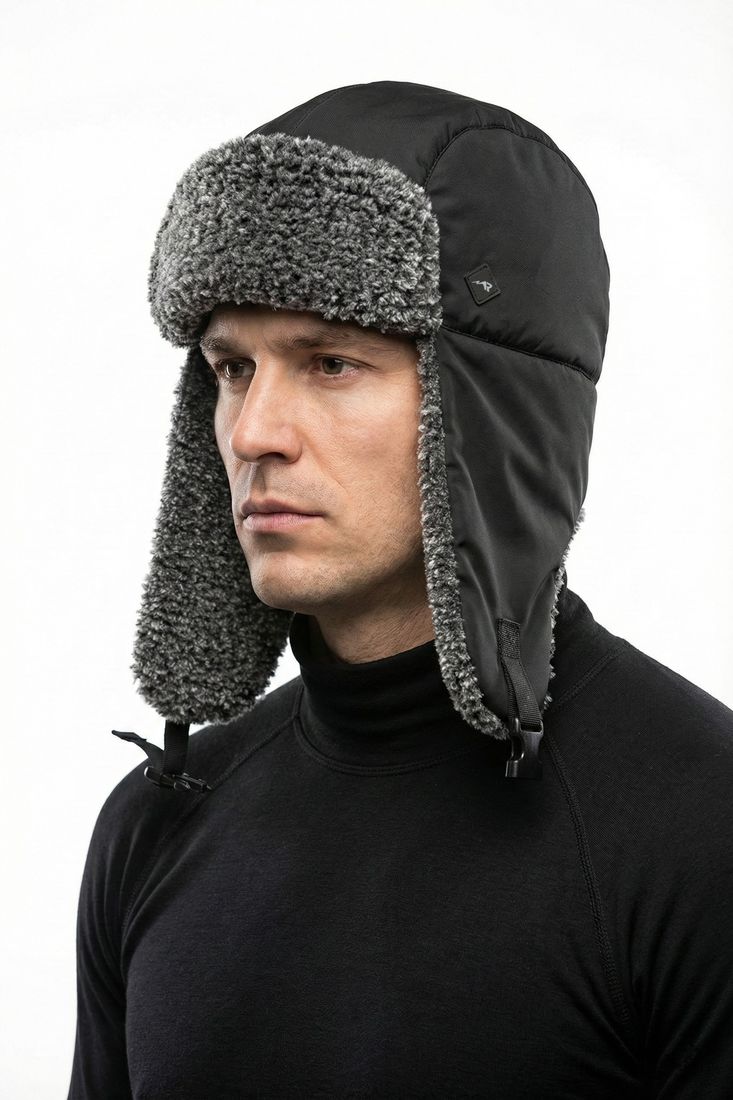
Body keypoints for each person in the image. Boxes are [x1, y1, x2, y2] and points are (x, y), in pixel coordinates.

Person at [67, 81, 733, 1099]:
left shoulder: (698, 829)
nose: (254, 432)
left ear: (495, 408)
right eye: (233, 368)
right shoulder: (155, 825)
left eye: (331, 362)